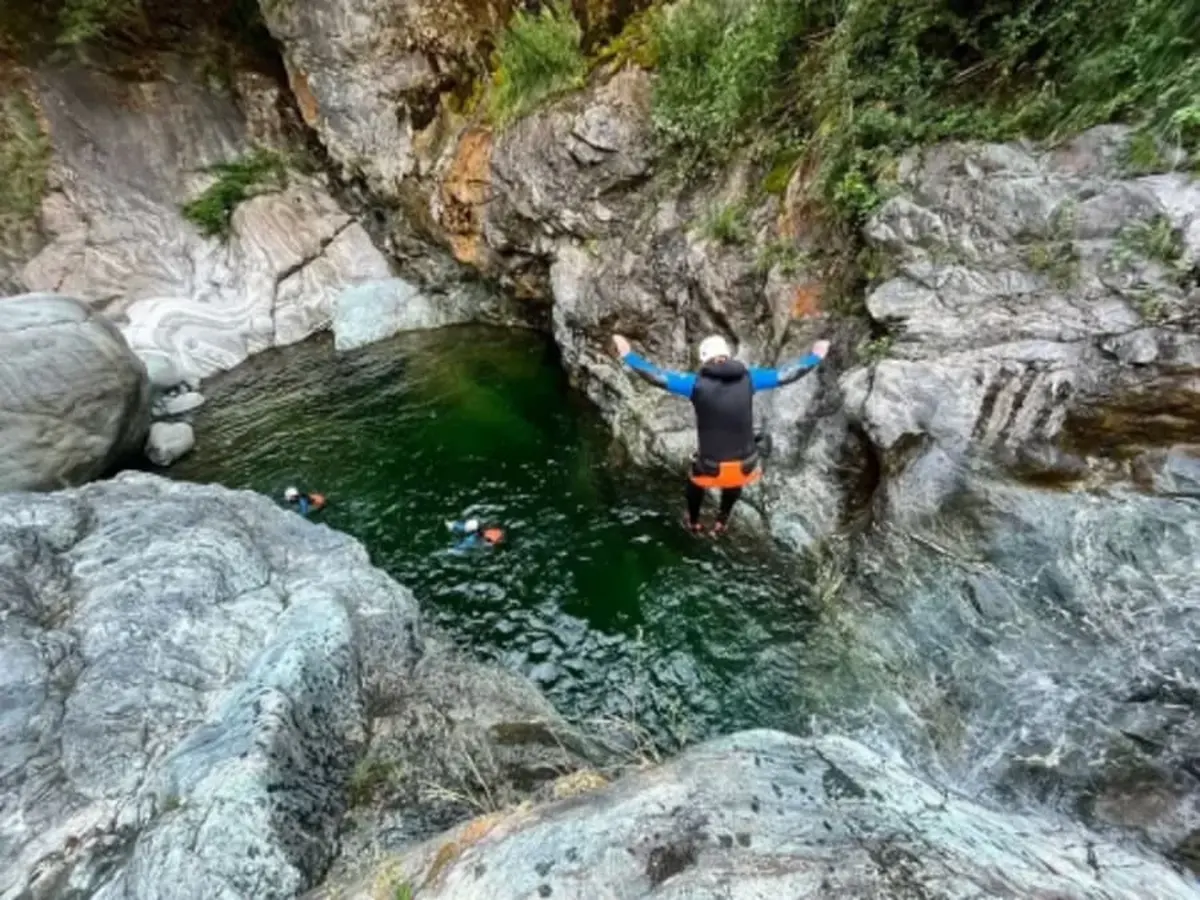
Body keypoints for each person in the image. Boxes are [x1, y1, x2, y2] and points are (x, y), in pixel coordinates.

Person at [613, 332, 830, 535]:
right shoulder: (750, 378)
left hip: (710, 466)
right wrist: (815, 356)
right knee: (736, 472)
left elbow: (656, 377)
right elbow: (786, 374)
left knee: (695, 480)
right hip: (747, 464)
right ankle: (722, 522)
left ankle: (693, 521)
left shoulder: (694, 384)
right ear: (727, 355)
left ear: (704, 359)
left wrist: (628, 355)